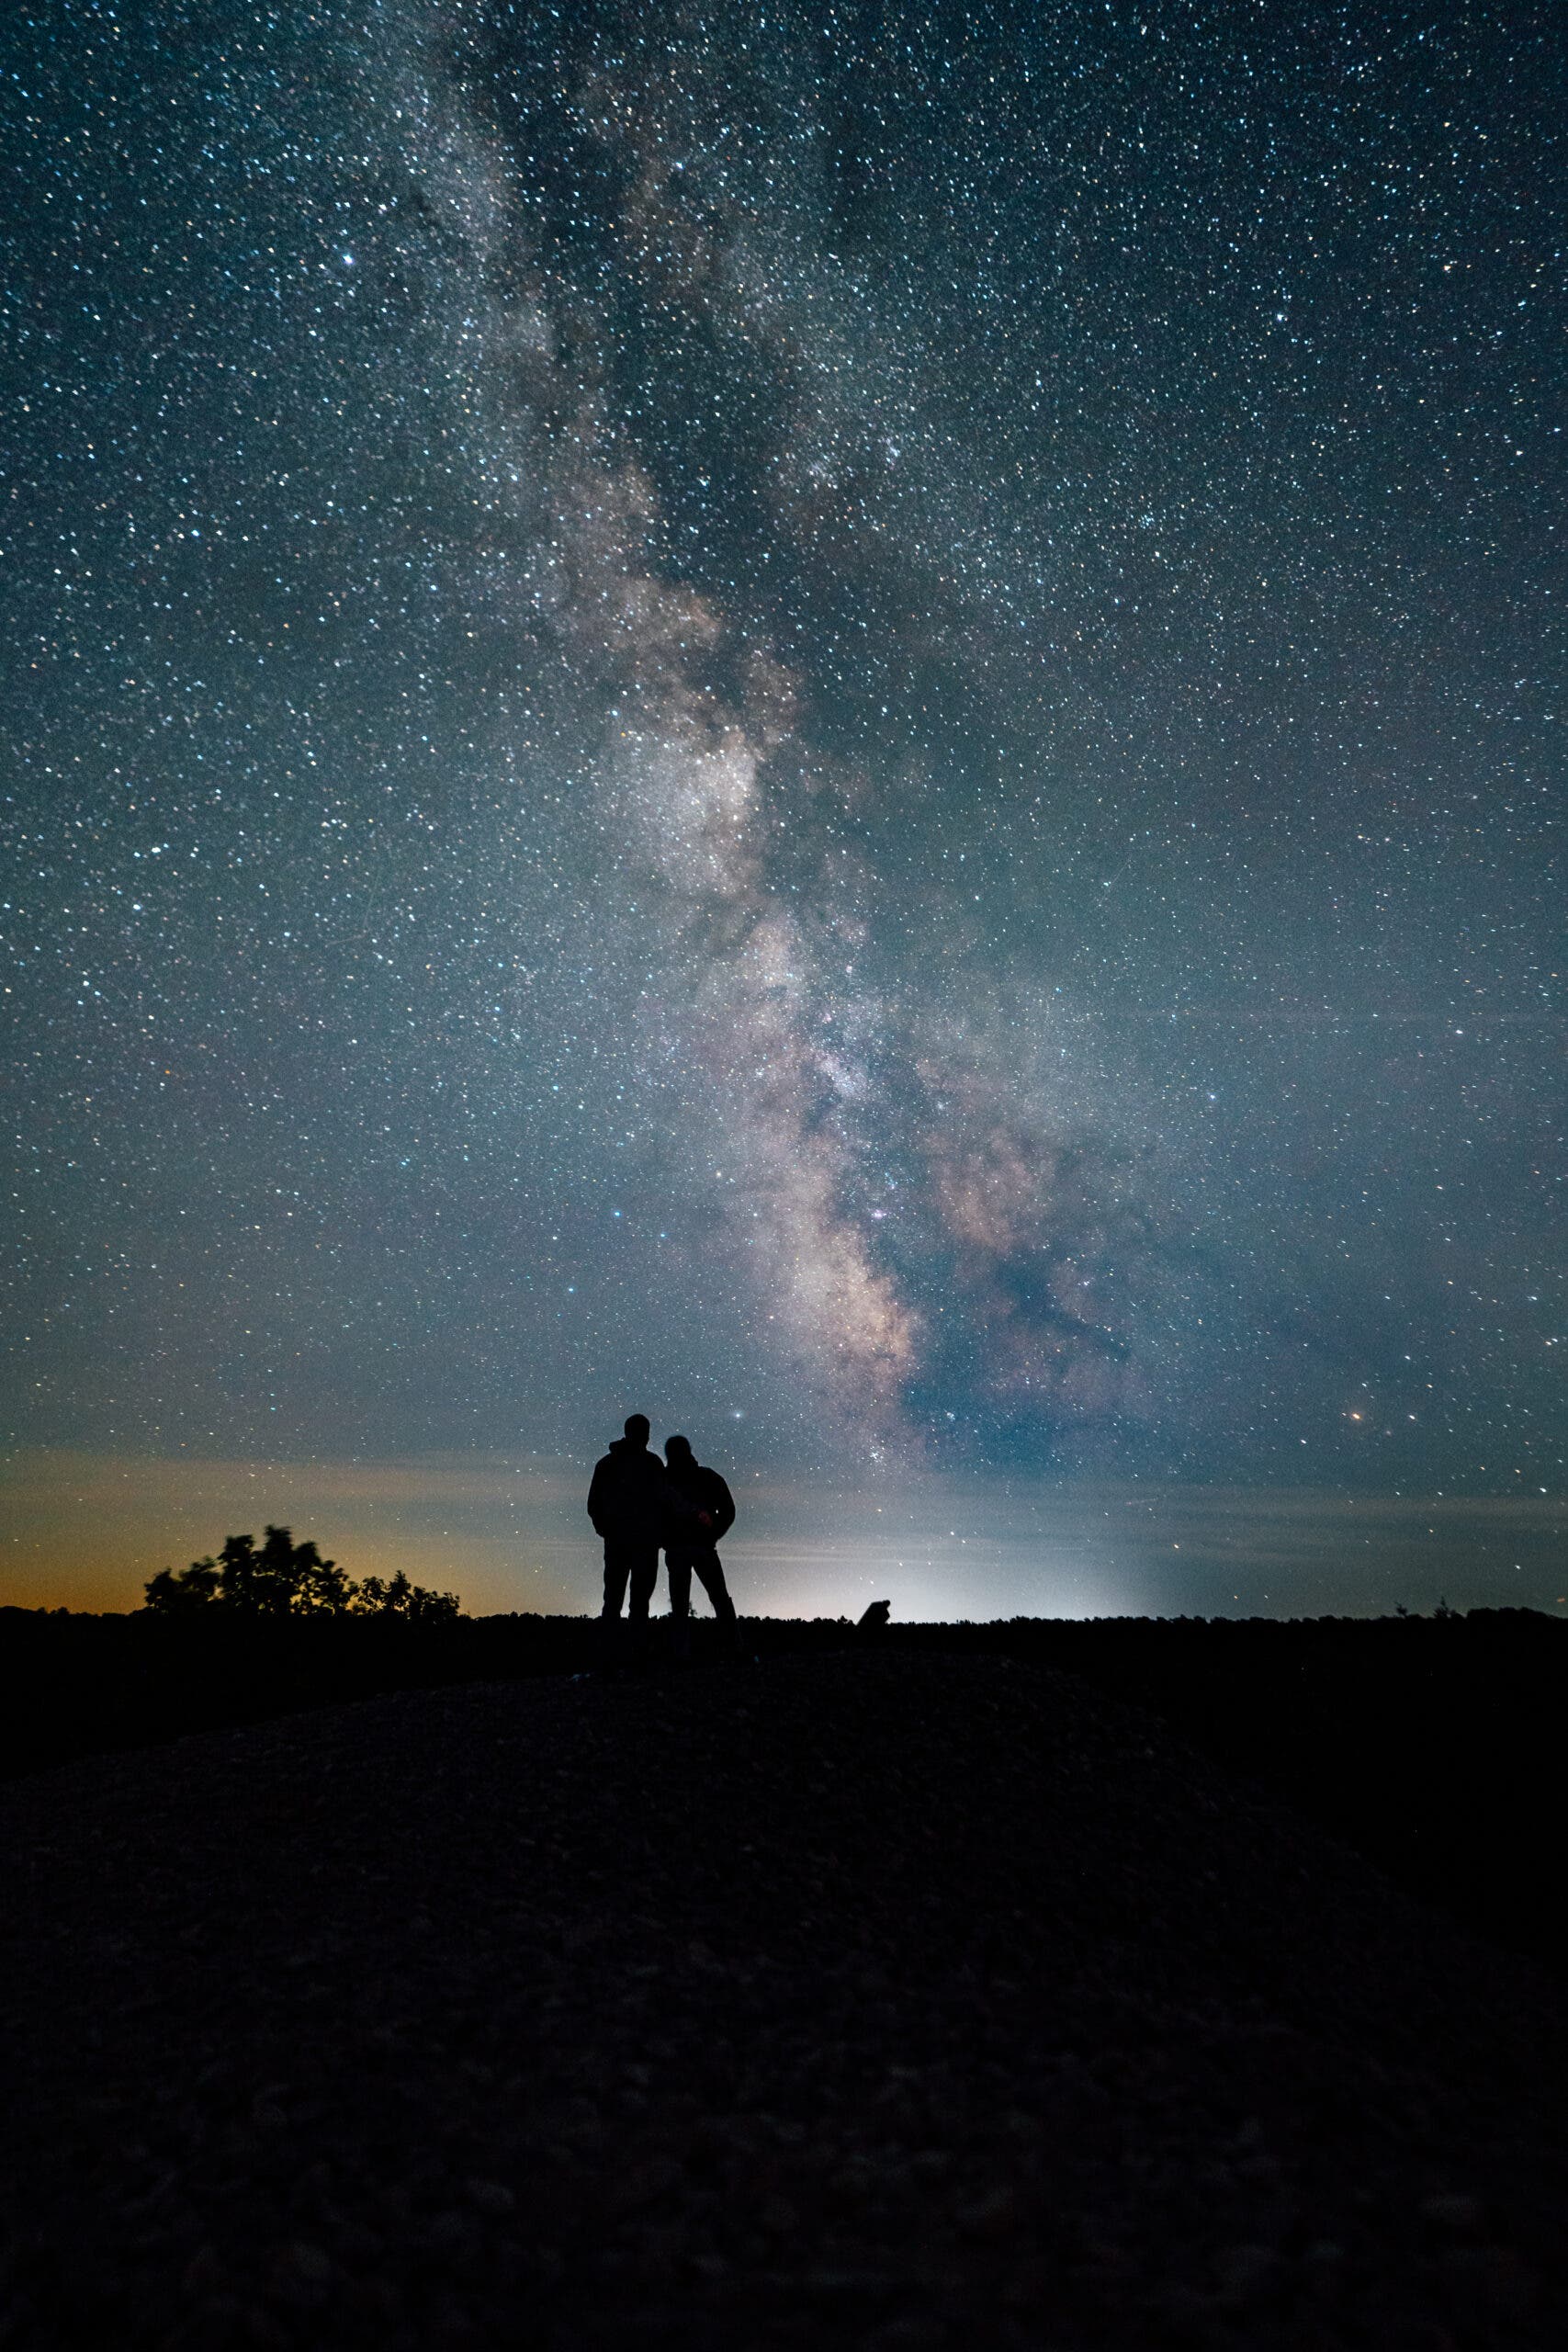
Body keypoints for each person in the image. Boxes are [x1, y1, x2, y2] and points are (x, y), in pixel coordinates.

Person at [587, 1413, 684, 1646]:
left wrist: (606, 1530)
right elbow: (665, 1502)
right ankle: (634, 1660)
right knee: (638, 1603)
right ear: (644, 1434)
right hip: (643, 1543)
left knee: (613, 1600)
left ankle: (610, 1662)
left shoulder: (607, 1463)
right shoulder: (652, 1464)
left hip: (620, 1541)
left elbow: (593, 1504)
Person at [662, 1433, 739, 1654]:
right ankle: (732, 1647)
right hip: (701, 1547)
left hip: (680, 1548)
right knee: (719, 1597)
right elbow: (728, 1511)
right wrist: (713, 1534)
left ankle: (681, 1653)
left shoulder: (664, 1480)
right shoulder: (707, 1477)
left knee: (680, 1604)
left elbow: (655, 1513)